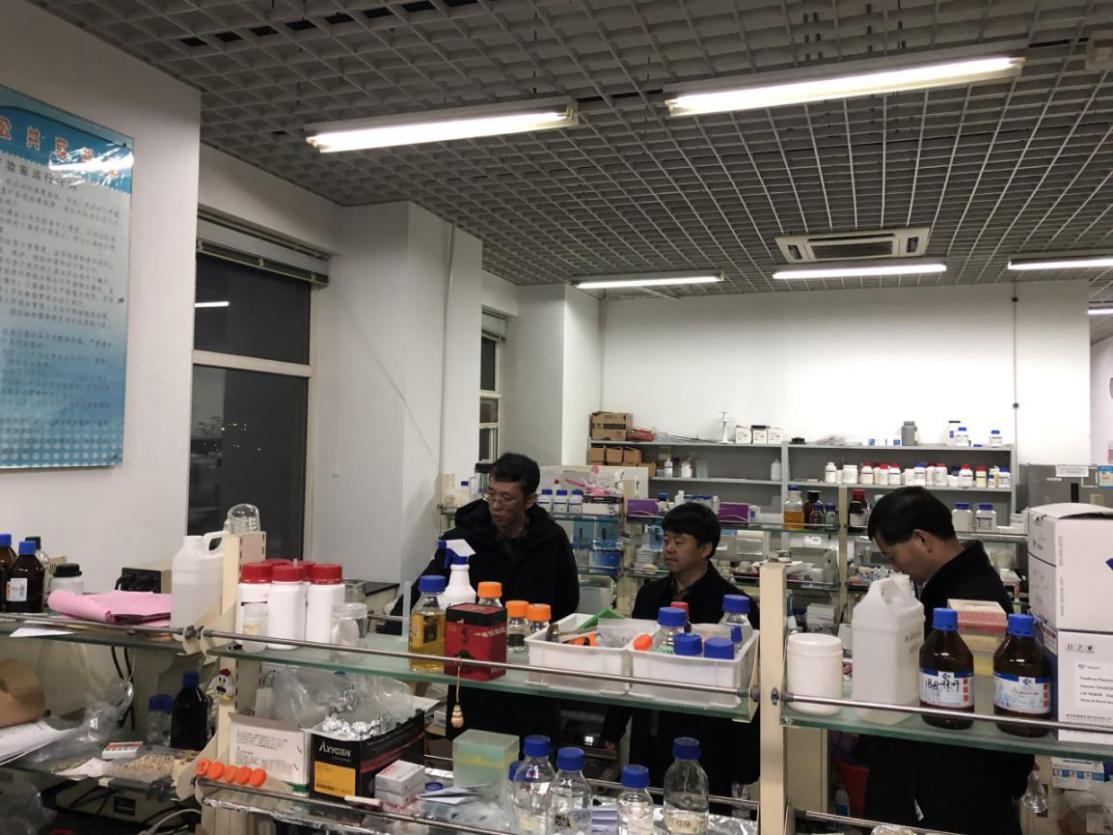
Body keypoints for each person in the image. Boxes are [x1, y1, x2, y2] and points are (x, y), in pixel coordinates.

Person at [862, 486, 1031, 835]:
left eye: (893, 556)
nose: (894, 567)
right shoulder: (949, 582)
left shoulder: (972, 600)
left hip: (955, 792)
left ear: (922, 539)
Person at [386, 452, 579, 739]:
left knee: (533, 749)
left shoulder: (551, 539)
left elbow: (567, 600)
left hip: (531, 669)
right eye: (492, 495)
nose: (496, 506)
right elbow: (425, 587)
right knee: (474, 751)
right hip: (474, 668)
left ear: (529, 500)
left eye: (507, 498)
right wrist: (389, 632)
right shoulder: (462, 538)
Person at [602, 502, 760, 796]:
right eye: (666, 540)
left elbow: (748, 684)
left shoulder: (734, 606)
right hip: (651, 724)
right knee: (646, 805)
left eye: (679, 541)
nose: (669, 549)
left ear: (705, 549)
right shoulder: (650, 595)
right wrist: (613, 726)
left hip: (705, 734)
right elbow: (631, 663)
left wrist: (744, 763)